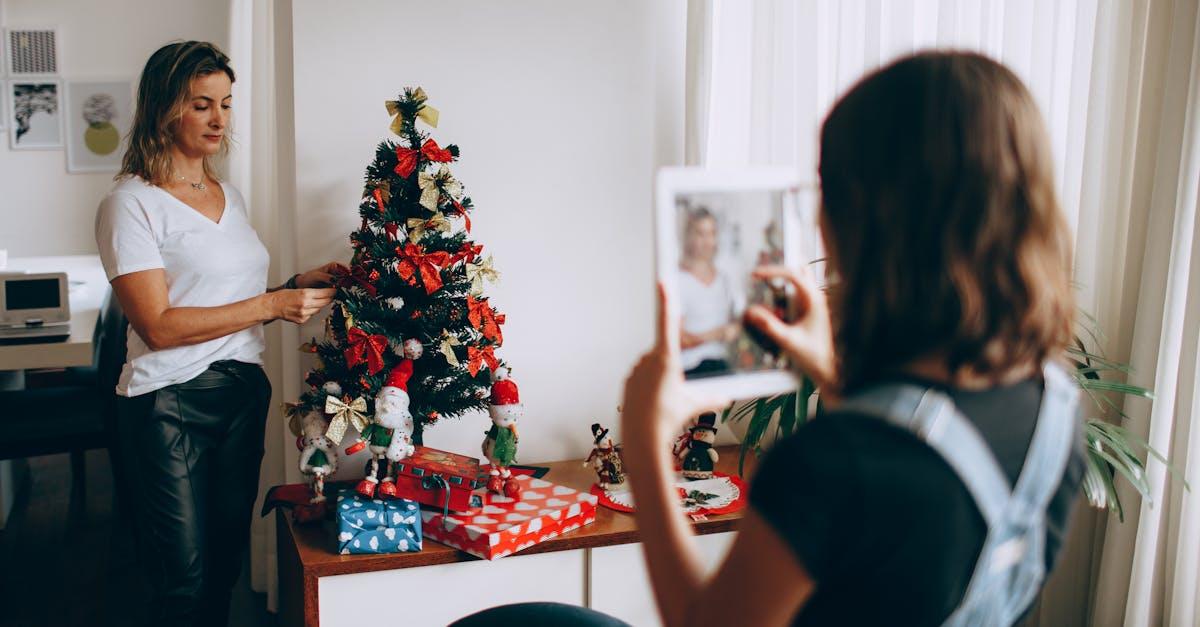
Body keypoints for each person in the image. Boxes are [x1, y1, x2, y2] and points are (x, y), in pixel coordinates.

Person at [456, 51, 1084, 627]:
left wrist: (645, 447)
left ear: (860, 222)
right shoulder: (1054, 403)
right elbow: (900, 498)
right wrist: (828, 372)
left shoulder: (829, 461)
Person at [94, 41, 344, 626]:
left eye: (226, 104)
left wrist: (292, 285)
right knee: (181, 579)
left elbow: (219, 299)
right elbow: (158, 326)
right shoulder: (130, 204)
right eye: (200, 104)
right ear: (164, 109)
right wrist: (272, 303)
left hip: (239, 394)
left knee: (225, 564)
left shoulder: (229, 196)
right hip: (168, 403)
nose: (218, 119)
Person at [677, 207, 743, 378]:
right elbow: (676, 339)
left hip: (721, 365)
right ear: (689, 237)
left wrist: (735, 328)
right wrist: (717, 334)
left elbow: (735, 321)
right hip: (690, 369)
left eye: (712, 233)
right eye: (701, 234)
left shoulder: (724, 280)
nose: (707, 241)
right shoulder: (678, 280)